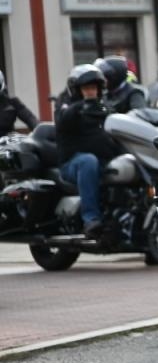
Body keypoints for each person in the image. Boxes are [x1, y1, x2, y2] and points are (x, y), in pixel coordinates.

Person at [56, 64, 116, 237]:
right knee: (88, 161)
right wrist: (80, 107)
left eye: (94, 88)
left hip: (104, 160)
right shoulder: (67, 106)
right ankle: (91, 219)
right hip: (72, 164)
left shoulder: (104, 107)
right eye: (87, 88)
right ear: (78, 90)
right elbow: (62, 122)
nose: (91, 91)